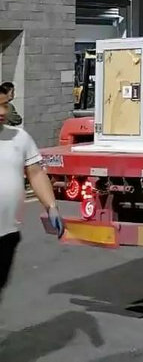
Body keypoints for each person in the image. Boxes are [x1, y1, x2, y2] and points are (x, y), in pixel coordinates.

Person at [0, 87, 64, 300]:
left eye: (5, 105)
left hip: (6, 235)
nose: (2, 111)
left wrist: (51, 206)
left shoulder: (20, 138)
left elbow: (35, 173)